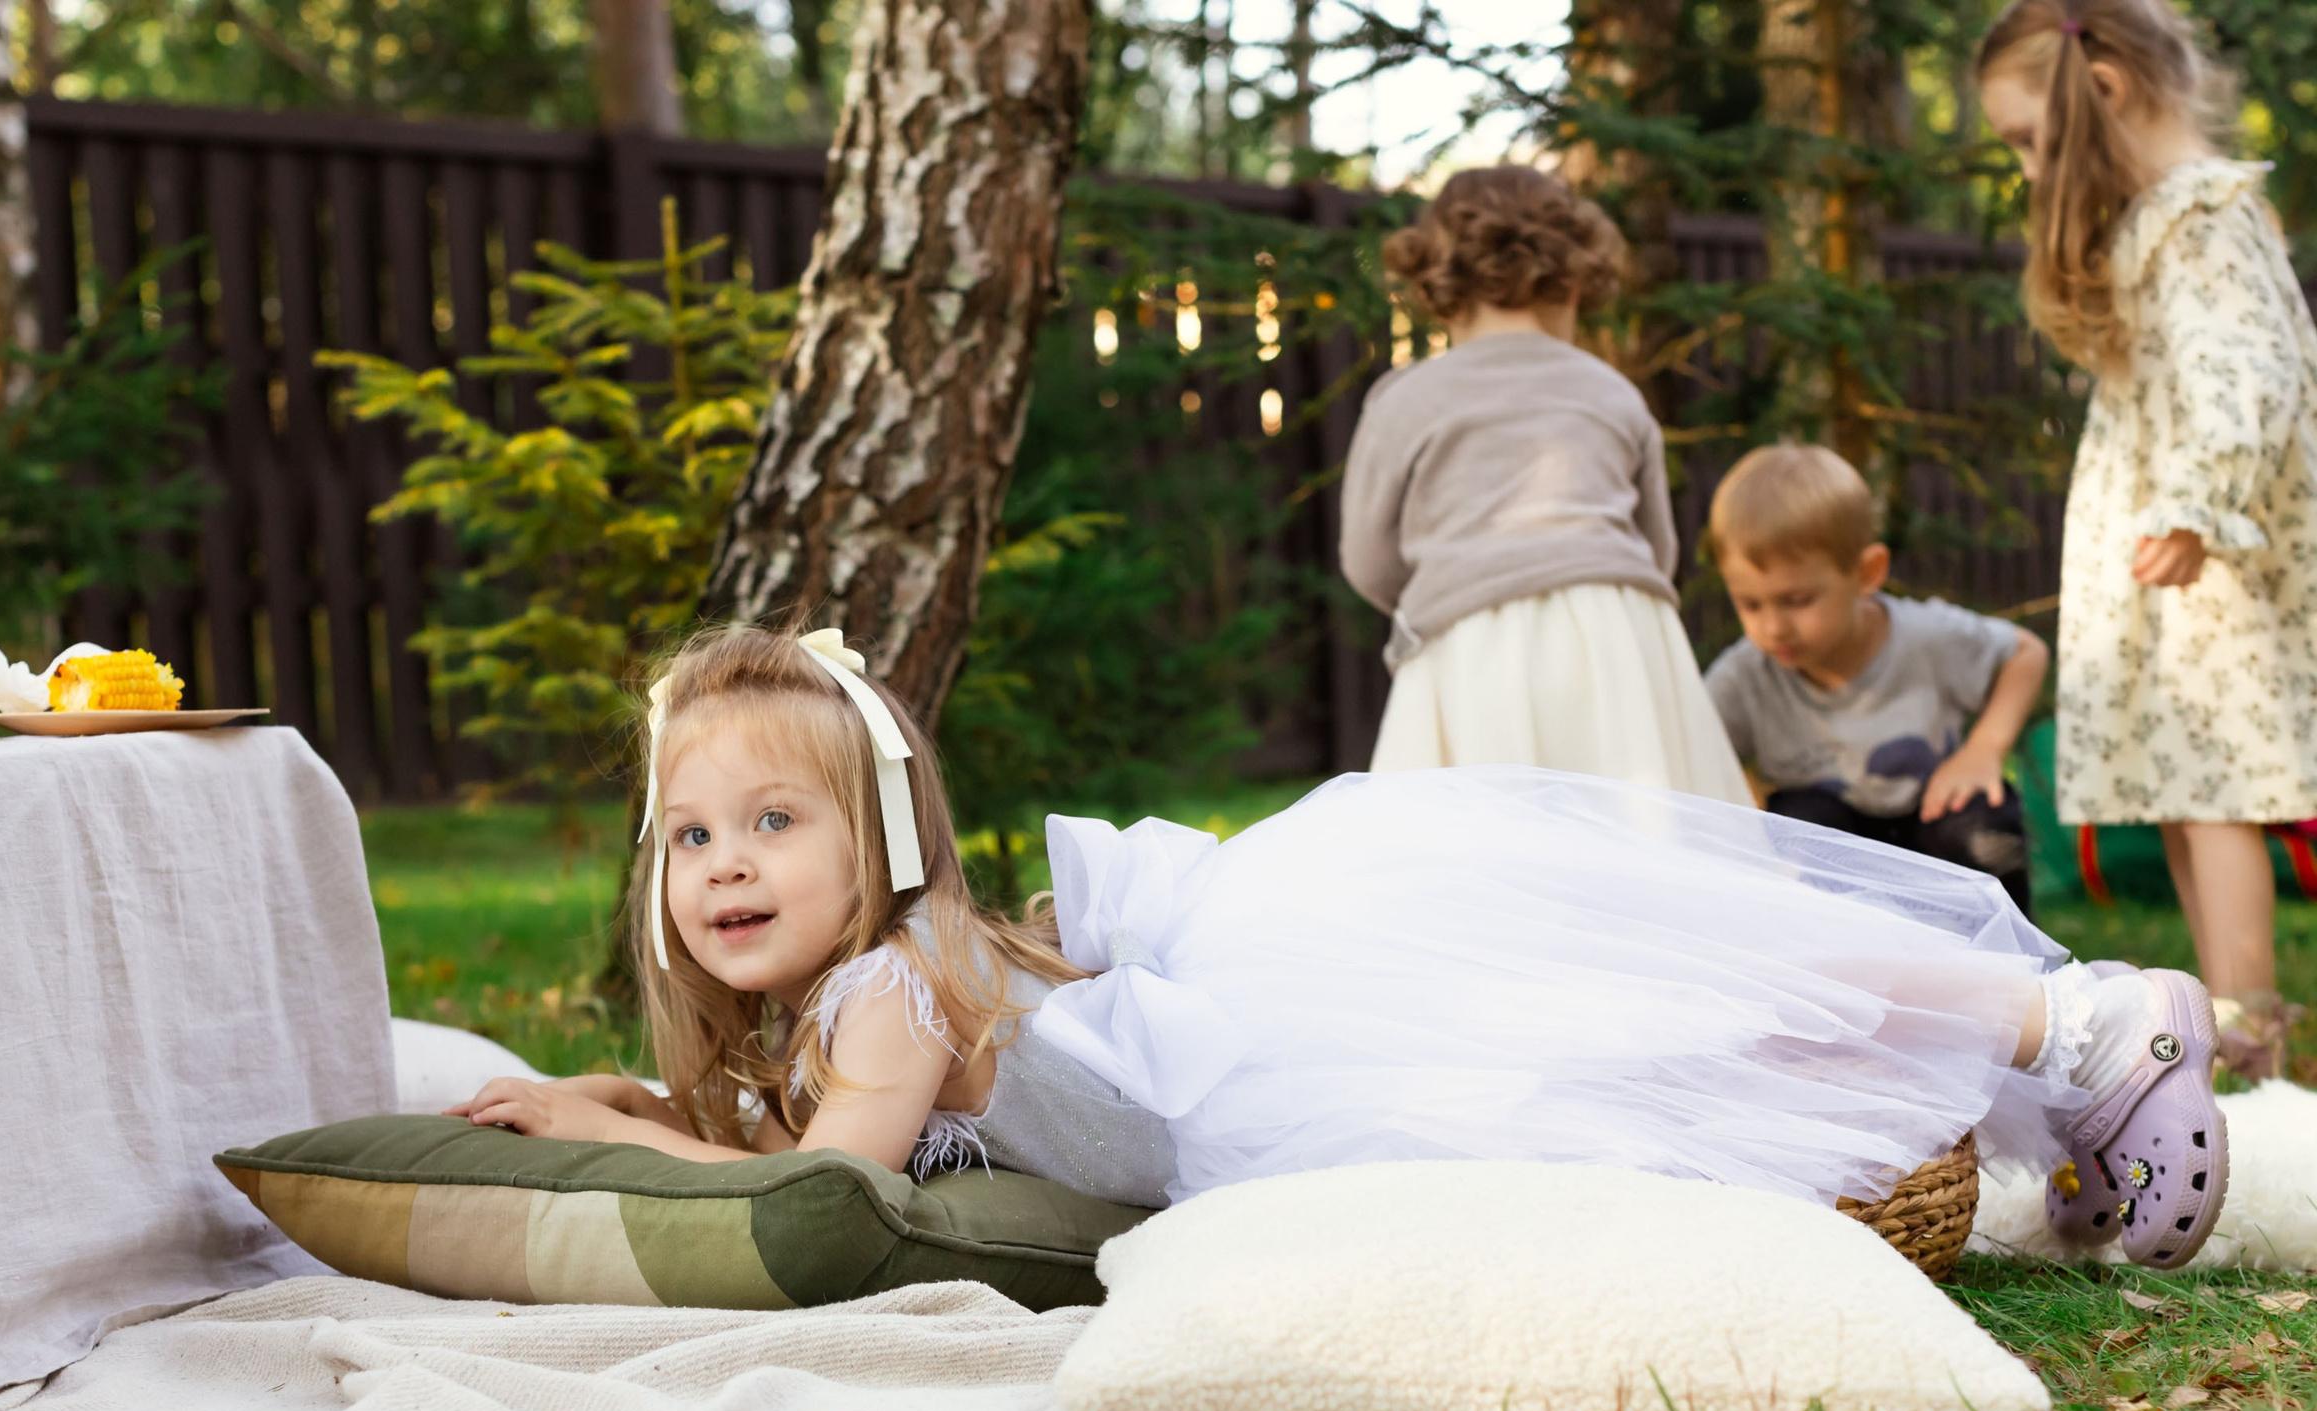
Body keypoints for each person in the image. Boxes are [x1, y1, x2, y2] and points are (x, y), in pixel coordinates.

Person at [453, 625, 2231, 1272]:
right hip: (1251, 1055)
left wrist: (620, 1138)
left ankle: (2077, 1020)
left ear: (886, 838)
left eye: (776, 819)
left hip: (1275, 1045)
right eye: (693, 834)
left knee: (1648, 979)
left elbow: (823, 1191)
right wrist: (639, 1093)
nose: (726, 864)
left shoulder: (888, 986)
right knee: (1649, 1042)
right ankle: (2043, 1080)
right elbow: (792, 1127)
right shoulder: (843, 1003)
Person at [1977, 0, 2317, 1079]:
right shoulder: (2160, 220)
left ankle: (2250, 1045)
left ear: (2103, 91)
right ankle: (2208, 1031)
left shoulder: (2201, 217)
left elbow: (2249, 375)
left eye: (2030, 140)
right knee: (2182, 791)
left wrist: (2193, 507)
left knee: (2215, 794)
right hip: (2171, 565)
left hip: (2211, 562)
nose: (2030, 170)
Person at [1339, 165, 1752, 805]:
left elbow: (1367, 558)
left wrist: (1447, 587)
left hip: (1473, 640)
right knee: (1644, 827)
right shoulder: (1614, 392)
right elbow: (1657, 548)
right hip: (1621, 635)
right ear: (1576, 280)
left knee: (1477, 838)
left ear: (1437, 285)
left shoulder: (1405, 400)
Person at [1702, 443, 2050, 918]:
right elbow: (1693, 736)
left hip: (1933, 822)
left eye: (1797, 601)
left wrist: (1985, 748)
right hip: (1836, 842)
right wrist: (1744, 794)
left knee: (1982, 828)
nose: (1774, 627)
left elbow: (2026, 653)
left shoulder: (1926, 637)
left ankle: (2012, 957)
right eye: (1750, 604)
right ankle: (1841, 961)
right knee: (1800, 827)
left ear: (1867, 573)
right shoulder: (1746, 675)